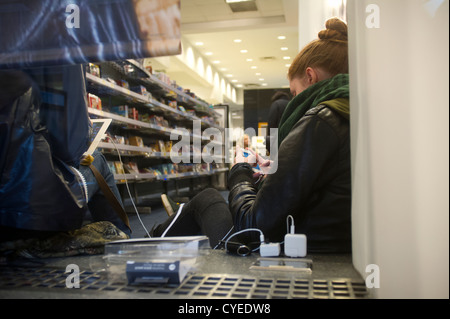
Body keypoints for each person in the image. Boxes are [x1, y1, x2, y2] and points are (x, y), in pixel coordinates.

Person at [151, 17, 351, 253]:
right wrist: (274, 173)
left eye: (295, 93)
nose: (294, 102)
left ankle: (147, 242)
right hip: (315, 241)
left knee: (205, 199)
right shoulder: (347, 112)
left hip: (273, 248)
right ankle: (166, 227)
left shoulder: (319, 121)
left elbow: (252, 224)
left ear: (310, 76)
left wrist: (240, 170)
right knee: (202, 204)